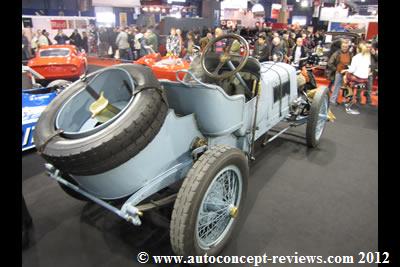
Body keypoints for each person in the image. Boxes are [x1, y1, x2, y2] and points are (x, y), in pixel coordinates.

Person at [327, 40, 352, 105]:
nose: (344, 48)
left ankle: (345, 101)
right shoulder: (337, 53)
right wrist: (336, 69)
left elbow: (352, 63)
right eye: (343, 46)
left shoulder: (350, 54)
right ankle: (333, 100)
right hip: (338, 72)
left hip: (347, 72)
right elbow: (330, 63)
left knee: (346, 87)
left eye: (346, 47)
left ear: (348, 47)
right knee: (336, 86)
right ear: (341, 47)